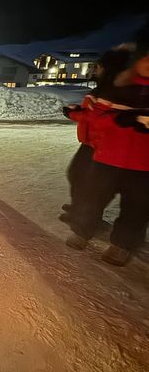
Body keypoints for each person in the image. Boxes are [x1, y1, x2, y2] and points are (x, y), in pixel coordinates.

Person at [66, 44, 149, 266]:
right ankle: (82, 231)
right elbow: (96, 117)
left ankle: (122, 245)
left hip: (144, 164)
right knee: (92, 196)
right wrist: (117, 120)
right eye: (145, 57)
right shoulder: (117, 86)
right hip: (107, 157)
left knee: (136, 207)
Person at [61, 46, 133, 221]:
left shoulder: (112, 90)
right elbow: (94, 112)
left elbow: (99, 117)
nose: (96, 70)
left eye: (99, 66)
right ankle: (79, 209)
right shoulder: (105, 88)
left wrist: (74, 114)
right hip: (92, 141)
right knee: (77, 175)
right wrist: (78, 110)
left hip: (99, 144)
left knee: (87, 180)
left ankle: (86, 218)